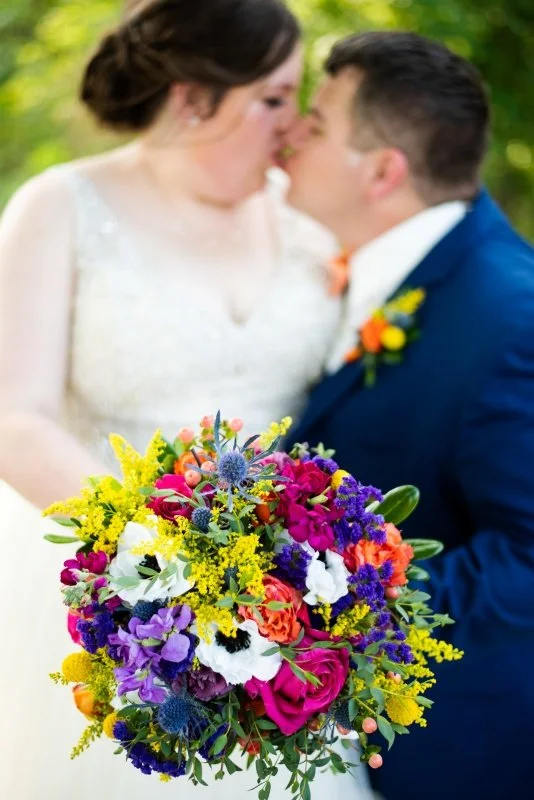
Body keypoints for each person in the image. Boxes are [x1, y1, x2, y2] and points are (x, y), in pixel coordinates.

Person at [0, 2, 374, 798]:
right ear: (191, 94)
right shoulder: (61, 206)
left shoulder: (309, 217)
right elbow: (15, 416)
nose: (294, 122)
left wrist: (286, 569)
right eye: (273, 97)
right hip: (105, 581)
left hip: (280, 603)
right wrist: (155, 555)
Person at [284, 30, 534, 800]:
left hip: (458, 756)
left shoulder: (510, 318)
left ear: (384, 171)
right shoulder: (368, 269)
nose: (292, 135)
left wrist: (316, 599)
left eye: (317, 124)